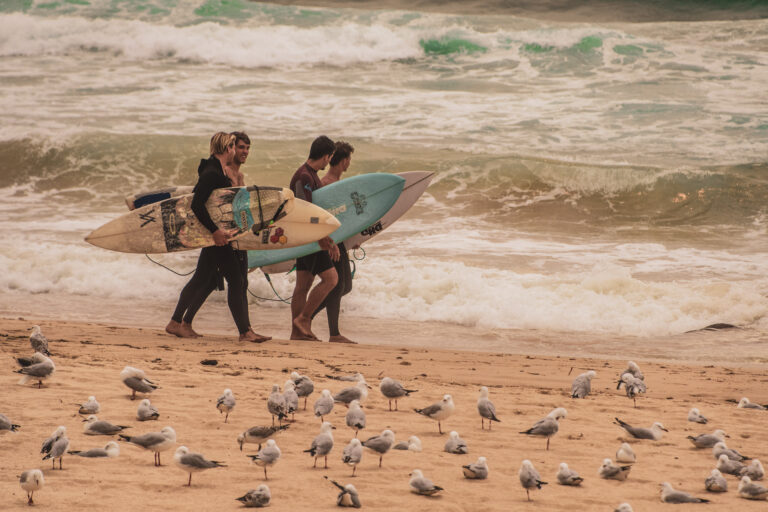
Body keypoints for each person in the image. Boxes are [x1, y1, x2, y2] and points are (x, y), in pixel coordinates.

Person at [166, 132, 269, 343]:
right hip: (216, 236)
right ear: (227, 147)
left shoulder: (217, 170)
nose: (237, 150)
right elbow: (196, 203)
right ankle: (244, 332)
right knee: (235, 280)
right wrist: (214, 231)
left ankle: (178, 322)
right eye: (234, 146)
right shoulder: (212, 172)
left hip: (221, 235)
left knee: (203, 279)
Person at [289, 135, 340, 341]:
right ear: (327, 156)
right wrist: (323, 238)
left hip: (306, 237)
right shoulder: (305, 177)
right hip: (310, 238)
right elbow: (305, 210)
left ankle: (296, 333)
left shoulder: (310, 175)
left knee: (303, 285)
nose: (329, 161)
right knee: (331, 279)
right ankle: (304, 319)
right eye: (330, 157)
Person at [310, 141, 356, 344]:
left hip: (340, 241)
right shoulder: (326, 184)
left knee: (346, 286)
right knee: (338, 286)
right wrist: (331, 242)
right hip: (331, 242)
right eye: (349, 159)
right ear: (344, 161)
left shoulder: (336, 184)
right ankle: (332, 333)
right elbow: (323, 218)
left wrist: (354, 238)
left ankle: (304, 318)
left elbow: (343, 218)